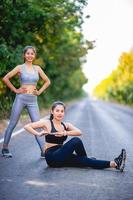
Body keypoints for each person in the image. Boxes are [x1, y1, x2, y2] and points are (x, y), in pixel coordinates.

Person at [24, 101, 126, 172]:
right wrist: (38, 134)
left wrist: (65, 133)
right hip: (52, 156)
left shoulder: (65, 125)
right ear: (52, 111)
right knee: (76, 141)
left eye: (62, 111)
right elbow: (27, 126)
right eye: (57, 111)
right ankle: (85, 159)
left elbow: (79, 132)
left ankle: (115, 164)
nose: (60, 113)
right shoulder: (46, 123)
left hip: (62, 154)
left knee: (87, 161)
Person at [1, 45, 51, 158]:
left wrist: (39, 92)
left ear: (34, 55)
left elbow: (47, 81)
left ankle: (43, 151)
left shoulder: (37, 68)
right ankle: (5, 148)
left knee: (37, 125)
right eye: (28, 53)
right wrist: (15, 90)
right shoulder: (20, 67)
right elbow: (5, 78)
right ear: (24, 55)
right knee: (12, 124)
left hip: (33, 100)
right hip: (21, 98)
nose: (30, 55)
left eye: (32, 53)